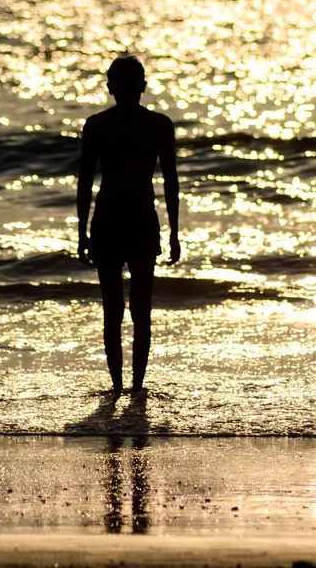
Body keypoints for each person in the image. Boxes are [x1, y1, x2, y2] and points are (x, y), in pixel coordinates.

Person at [77, 56, 181, 395]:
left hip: (114, 221)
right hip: (131, 221)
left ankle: (126, 387)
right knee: (136, 309)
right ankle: (131, 388)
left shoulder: (99, 124)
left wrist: (82, 232)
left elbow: (84, 183)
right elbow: (170, 184)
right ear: (143, 87)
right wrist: (174, 233)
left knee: (121, 310)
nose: (123, 90)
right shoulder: (157, 125)